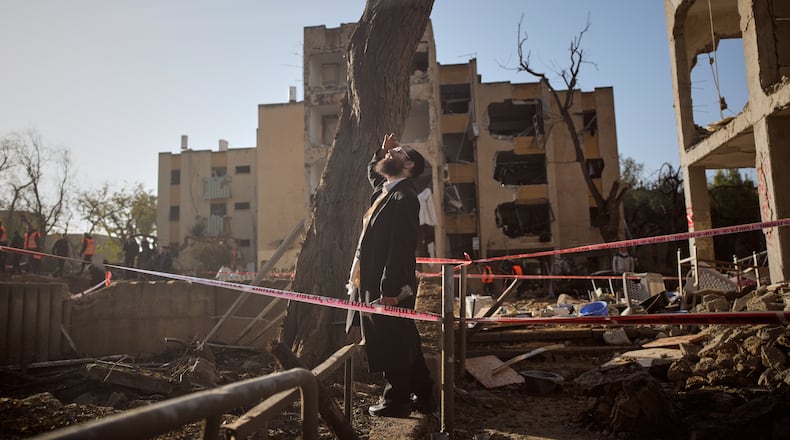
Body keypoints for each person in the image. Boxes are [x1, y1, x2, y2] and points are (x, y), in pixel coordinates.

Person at [345, 133, 434, 418]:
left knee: (392, 341)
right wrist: (380, 151)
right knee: (404, 337)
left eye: (395, 152)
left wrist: (390, 288)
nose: (388, 154)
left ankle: (396, 401)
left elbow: (401, 248)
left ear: (408, 165)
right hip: (377, 281)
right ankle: (426, 395)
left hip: (391, 286)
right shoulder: (387, 189)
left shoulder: (404, 196)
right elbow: (374, 173)